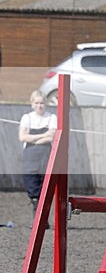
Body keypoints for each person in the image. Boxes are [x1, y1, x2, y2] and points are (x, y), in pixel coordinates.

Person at [18, 90, 56, 228]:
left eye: (42, 103)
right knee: (32, 187)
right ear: (32, 104)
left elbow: (51, 136)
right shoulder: (27, 118)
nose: (39, 105)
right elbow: (22, 137)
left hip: (46, 156)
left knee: (45, 188)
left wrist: (32, 138)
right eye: (37, 103)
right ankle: (37, 218)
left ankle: (41, 220)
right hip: (30, 157)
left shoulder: (51, 117)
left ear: (45, 103)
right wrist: (42, 136)